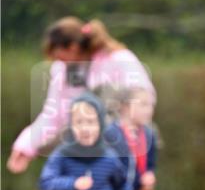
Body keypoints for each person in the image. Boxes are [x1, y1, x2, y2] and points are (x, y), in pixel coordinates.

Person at [7, 17, 155, 174]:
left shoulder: (119, 59)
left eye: (60, 56)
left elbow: (144, 99)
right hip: (84, 157)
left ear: (73, 47)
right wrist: (25, 146)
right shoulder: (62, 71)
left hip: (124, 152)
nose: (60, 62)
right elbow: (53, 115)